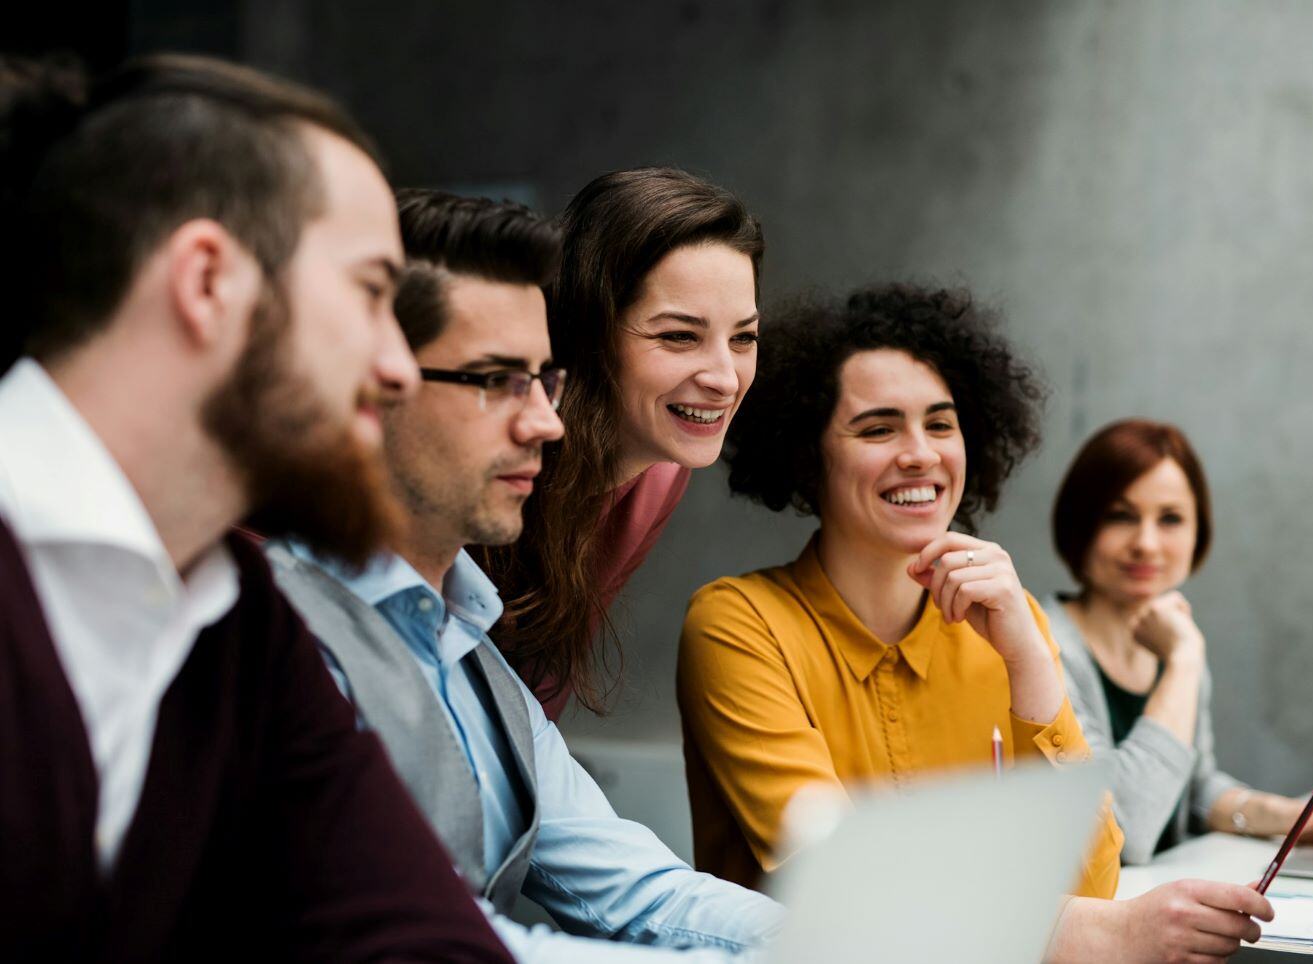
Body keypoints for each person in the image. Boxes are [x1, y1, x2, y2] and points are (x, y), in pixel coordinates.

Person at [0, 56, 511, 960]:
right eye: (370, 293)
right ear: (207, 281)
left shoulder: (235, 620)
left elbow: (417, 939)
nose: (398, 368)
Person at [677, 284, 1275, 963]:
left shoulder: (1005, 627)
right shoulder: (735, 625)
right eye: (878, 428)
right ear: (808, 459)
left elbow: (1094, 879)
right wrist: (1107, 930)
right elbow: (850, 882)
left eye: (940, 423)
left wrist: (1028, 660)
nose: (921, 454)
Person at [268, 189, 783, 962]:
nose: (547, 421)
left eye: (544, 380)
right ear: (370, 387)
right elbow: (431, 942)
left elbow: (642, 890)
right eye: (495, 380)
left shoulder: (475, 648)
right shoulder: (275, 638)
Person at [481, 167, 763, 718]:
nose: (726, 379)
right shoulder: (499, 453)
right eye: (680, 336)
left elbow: (534, 699)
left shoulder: (663, 472)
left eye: (744, 337)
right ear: (591, 334)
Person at [1044, 418, 1313, 864]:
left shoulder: (1171, 641)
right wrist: (1184, 661)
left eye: (1171, 518)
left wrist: (1282, 816)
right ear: (1079, 525)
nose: (1147, 543)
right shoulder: (1043, 646)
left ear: (1199, 531)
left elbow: (1191, 786)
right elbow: (1124, 826)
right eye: (1120, 516)